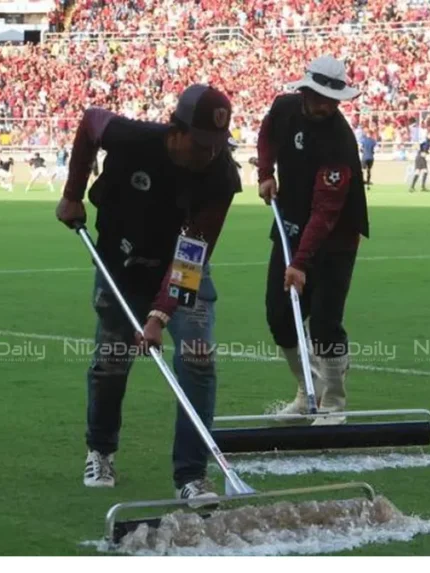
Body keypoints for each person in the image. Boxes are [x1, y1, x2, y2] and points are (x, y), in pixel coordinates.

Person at [55, 84, 240, 504]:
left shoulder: (220, 175)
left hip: (179, 266)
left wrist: (160, 314)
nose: (209, 153)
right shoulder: (131, 137)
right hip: (118, 264)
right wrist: (72, 194)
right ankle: (100, 451)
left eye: (217, 145)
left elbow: (194, 252)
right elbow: (87, 123)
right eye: (201, 143)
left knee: (197, 358)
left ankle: (192, 476)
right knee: (112, 362)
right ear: (176, 130)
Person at [256, 55, 370, 425]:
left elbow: (326, 212)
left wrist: (300, 264)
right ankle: (309, 391)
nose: (324, 105)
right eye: (318, 96)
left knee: (323, 323)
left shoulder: (339, 141)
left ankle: (334, 403)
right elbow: (267, 132)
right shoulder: (285, 108)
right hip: (289, 225)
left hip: (335, 240)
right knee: (280, 316)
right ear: (304, 91)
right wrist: (265, 172)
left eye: (331, 99)